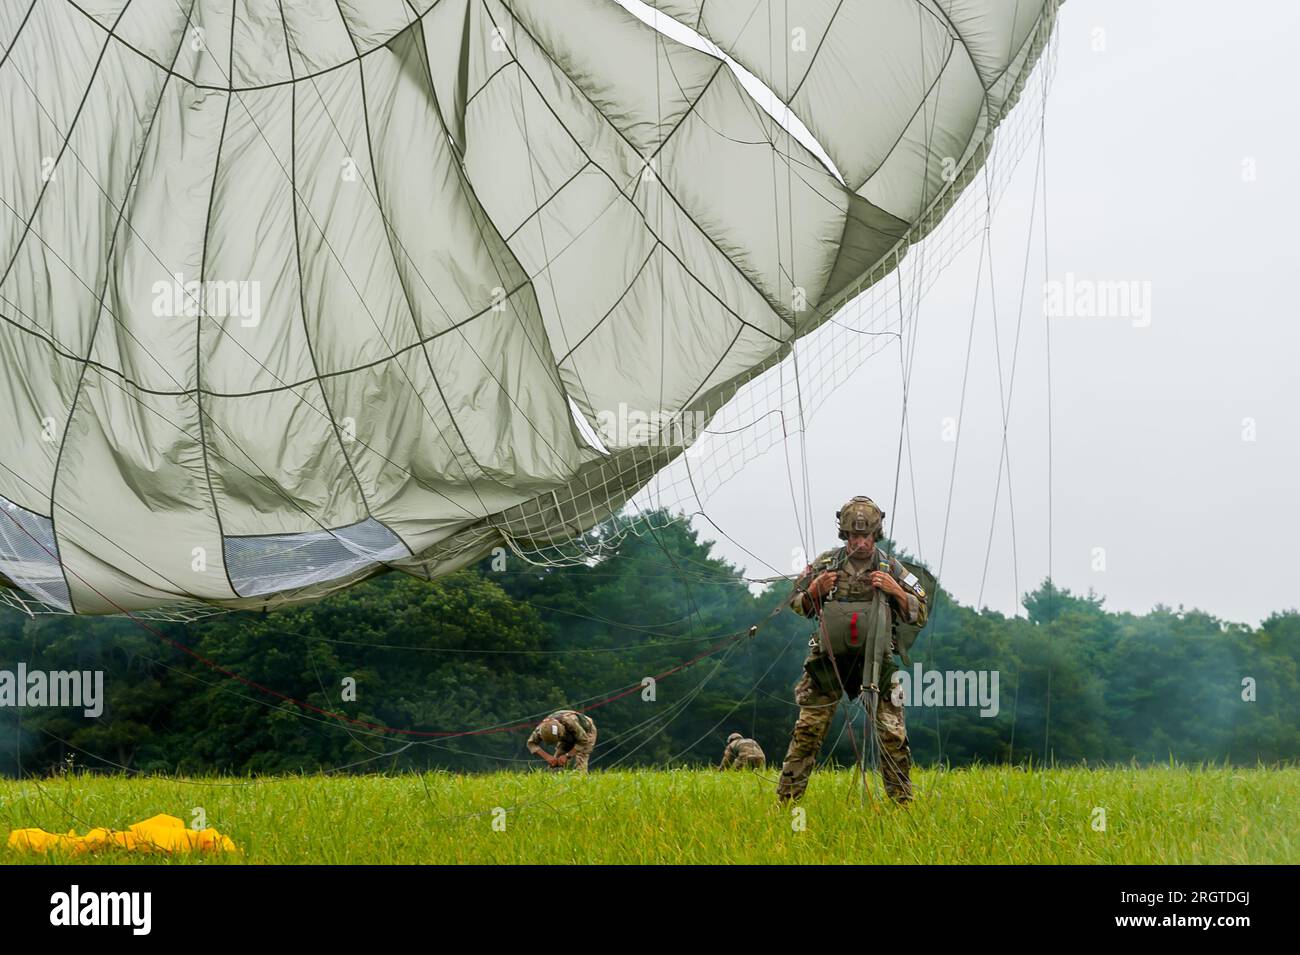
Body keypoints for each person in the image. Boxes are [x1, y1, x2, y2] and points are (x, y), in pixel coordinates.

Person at [776, 496, 929, 804]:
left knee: (893, 736)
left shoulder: (894, 568)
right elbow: (795, 602)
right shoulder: (824, 564)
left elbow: (920, 612)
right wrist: (813, 592)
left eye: (866, 536)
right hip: (828, 662)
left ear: (877, 534)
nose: (860, 542)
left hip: (877, 662)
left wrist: (896, 590)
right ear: (844, 535)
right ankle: (787, 803)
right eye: (854, 536)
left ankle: (902, 806)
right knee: (807, 732)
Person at [526, 709, 597, 772]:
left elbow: (583, 740)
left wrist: (567, 756)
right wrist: (547, 757)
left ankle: (581, 778)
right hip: (567, 737)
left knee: (580, 761)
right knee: (556, 763)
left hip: (586, 732)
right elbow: (531, 743)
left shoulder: (569, 722)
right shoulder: (541, 729)